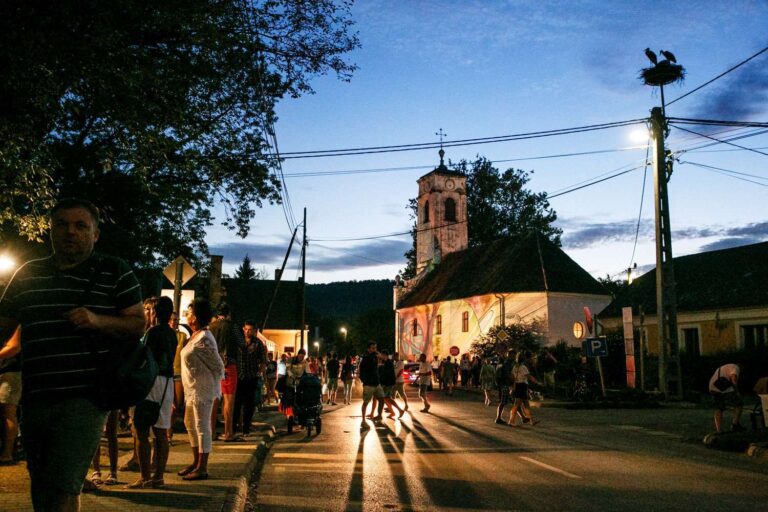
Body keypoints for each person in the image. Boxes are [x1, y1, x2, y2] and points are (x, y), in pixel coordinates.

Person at [0, 198, 144, 511]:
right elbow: (4, 323)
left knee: (64, 481)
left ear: (95, 234)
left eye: (80, 226)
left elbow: (137, 325)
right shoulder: (28, 274)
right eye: (62, 225)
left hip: (85, 397)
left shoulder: (114, 271)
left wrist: (98, 320)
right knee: (41, 480)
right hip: (36, 395)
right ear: (50, 230)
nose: (70, 232)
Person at [127, 296, 176, 489]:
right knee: (161, 432)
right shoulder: (172, 334)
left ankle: (145, 477)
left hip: (150, 383)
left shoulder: (152, 332)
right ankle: (159, 477)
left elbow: (142, 357)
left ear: (155, 312)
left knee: (141, 431)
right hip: (167, 384)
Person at [179, 299, 225, 481]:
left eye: (189, 312)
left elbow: (218, 366)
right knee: (189, 423)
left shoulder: (205, 338)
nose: (187, 315)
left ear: (196, 317)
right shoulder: (195, 335)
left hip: (202, 389)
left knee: (201, 425)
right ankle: (196, 461)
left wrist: (210, 381)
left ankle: (202, 467)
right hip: (191, 388)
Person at [209, 302, 244, 442]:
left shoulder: (211, 327)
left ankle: (211, 432)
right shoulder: (233, 327)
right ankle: (228, 432)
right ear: (228, 313)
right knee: (229, 400)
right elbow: (242, 344)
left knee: (214, 400)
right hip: (229, 364)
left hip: (213, 367)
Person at [234, 320, 267, 437]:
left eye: (250, 330)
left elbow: (263, 360)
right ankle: (233, 428)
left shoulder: (258, 343)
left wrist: (259, 373)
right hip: (238, 376)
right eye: (246, 329)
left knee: (249, 404)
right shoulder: (238, 341)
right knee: (236, 403)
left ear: (254, 331)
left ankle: (246, 428)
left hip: (251, 377)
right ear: (243, 329)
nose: (247, 332)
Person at [0, 326, 21, 465]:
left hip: (11, 370)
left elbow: (15, 347)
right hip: (6, 369)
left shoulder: (16, 323)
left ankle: (7, 454)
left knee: (8, 412)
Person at [709, 363, 744, 433]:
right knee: (739, 404)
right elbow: (733, 379)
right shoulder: (736, 367)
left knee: (719, 408)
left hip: (713, 387)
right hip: (724, 388)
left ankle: (719, 430)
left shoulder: (724, 367)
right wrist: (737, 391)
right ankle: (734, 425)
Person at [170, 310, 189, 437]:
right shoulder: (163, 334)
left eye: (176, 320)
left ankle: (169, 430)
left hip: (178, 373)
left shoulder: (182, 336)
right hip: (165, 374)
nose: (173, 322)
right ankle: (167, 433)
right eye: (171, 319)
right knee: (167, 405)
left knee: (176, 405)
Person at [508, 352, 538, 427]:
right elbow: (529, 376)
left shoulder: (515, 367)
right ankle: (511, 421)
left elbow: (512, 376)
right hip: (522, 386)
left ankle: (531, 420)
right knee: (518, 405)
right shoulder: (523, 367)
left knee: (525, 404)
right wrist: (537, 382)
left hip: (518, 385)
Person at [358, 342, 384, 429]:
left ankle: (379, 417)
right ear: (368, 349)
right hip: (368, 384)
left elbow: (382, 361)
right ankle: (363, 421)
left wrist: (379, 356)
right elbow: (361, 371)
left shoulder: (375, 357)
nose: (374, 350)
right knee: (366, 402)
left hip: (376, 383)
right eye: (373, 348)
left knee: (382, 399)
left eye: (375, 348)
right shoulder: (365, 359)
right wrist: (364, 382)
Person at [376, 350, 406, 420]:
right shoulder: (386, 362)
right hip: (387, 383)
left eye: (382, 355)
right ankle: (395, 412)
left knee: (386, 398)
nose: (381, 356)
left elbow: (387, 374)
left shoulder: (388, 363)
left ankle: (399, 411)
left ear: (385, 355)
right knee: (386, 399)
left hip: (388, 384)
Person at [495, 351, 515, 425]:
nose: (514, 357)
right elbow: (507, 375)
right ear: (510, 355)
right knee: (503, 402)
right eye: (513, 355)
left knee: (513, 401)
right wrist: (513, 379)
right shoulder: (507, 364)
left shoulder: (507, 363)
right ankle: (498, 418)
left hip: (505, 385)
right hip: (506, 385)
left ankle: (523, 417)